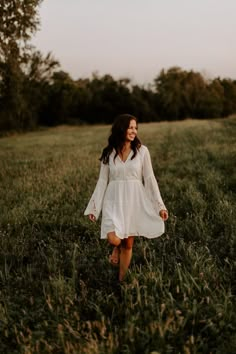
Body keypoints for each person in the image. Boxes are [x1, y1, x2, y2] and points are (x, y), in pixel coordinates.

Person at [84, 114, 168, 282]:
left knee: (128, 244)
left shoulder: (142, 151)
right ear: (121, 128)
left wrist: (160, 206)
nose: (134, 131)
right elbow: (102, 180)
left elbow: (150, 179)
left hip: (133, 200)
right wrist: (94, 207)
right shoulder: (109, 153)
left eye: (135, 128)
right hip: (113, 200)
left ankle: (122, 280)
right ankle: (116, 248)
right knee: (114, 238)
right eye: (130, 127)